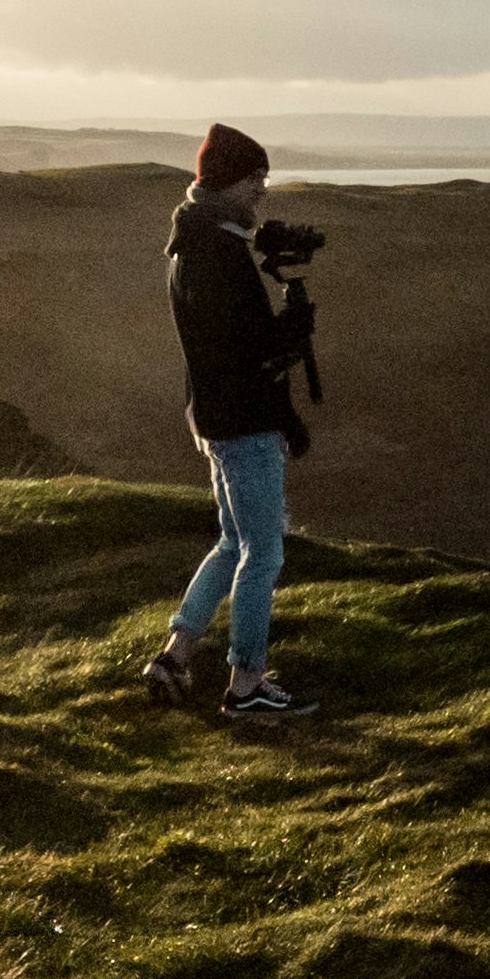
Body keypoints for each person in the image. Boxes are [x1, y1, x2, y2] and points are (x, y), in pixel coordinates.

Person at [144, 123, 314, 714]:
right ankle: (246, 683)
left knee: (232, 541)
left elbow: (216, 346)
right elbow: (246, 350)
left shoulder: (188, 243)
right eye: (254, 179)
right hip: (242, 420)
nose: (261, 190)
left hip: (216, 415)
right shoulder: (219, 254)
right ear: (225, 181)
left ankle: (175, 655)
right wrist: (292, 329)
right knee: (263, 553)